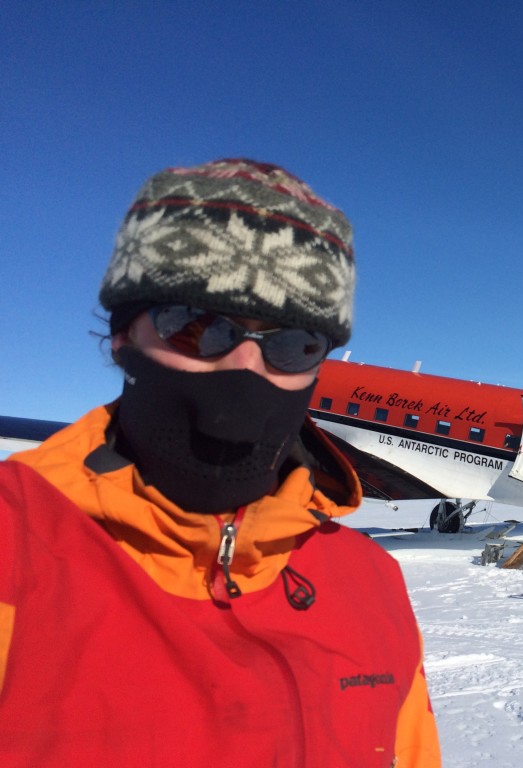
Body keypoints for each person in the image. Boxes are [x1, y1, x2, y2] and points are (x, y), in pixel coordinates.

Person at [0, 159, 441, 766]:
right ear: (125, 334)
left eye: (294, 343)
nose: (245, 369)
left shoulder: (376, 585)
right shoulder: (14, 542)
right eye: (198, 326)